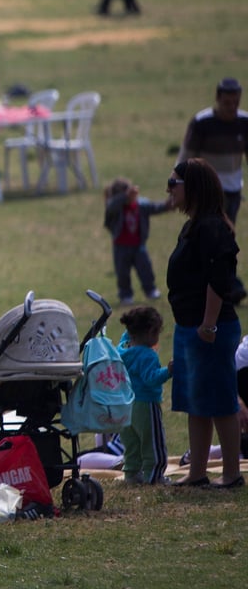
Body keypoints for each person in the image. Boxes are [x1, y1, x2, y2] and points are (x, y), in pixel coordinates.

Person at [165, 159, 243, 489]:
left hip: (209, 329)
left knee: (221, 401)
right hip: (191, 328)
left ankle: (231, 474)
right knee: (197, 403)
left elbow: (219, 280)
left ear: (192, 187)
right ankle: (197, 472)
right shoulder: (194, 225)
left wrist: (209, 325)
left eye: (174, 182)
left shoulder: (212, 227)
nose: (168, 189)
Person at [178, 77, 248, 303]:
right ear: (218, 99)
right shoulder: (202, 123)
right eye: (227, 103)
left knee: (226, 237)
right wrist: (180, 185)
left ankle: (226, 285)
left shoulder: (244, 122)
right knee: (213, 238)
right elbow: (187, 156)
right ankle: (226, 285)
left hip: (232, 190)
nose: (231, 108)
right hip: (207, 192)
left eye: (235, 103)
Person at [116, 306, 173, 485]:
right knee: (152, 443)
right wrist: (169, 371)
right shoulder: (147, 355)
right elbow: (151, 378)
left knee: (131, 443)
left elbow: (127, 336)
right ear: (150, 332)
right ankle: (154, 476)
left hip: (126, 405)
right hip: (146, 405)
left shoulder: (123, 349)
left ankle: (132, 474)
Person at [104, 177, 170, 305]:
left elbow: (154, 207)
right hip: (120, 246)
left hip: (138, 245)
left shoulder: (141, 204)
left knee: (145, 269)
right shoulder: (115, 208)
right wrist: (124, 197)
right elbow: (112, 206)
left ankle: (150, 290)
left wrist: (168, 205)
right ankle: (125, 295)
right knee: (122, 273)